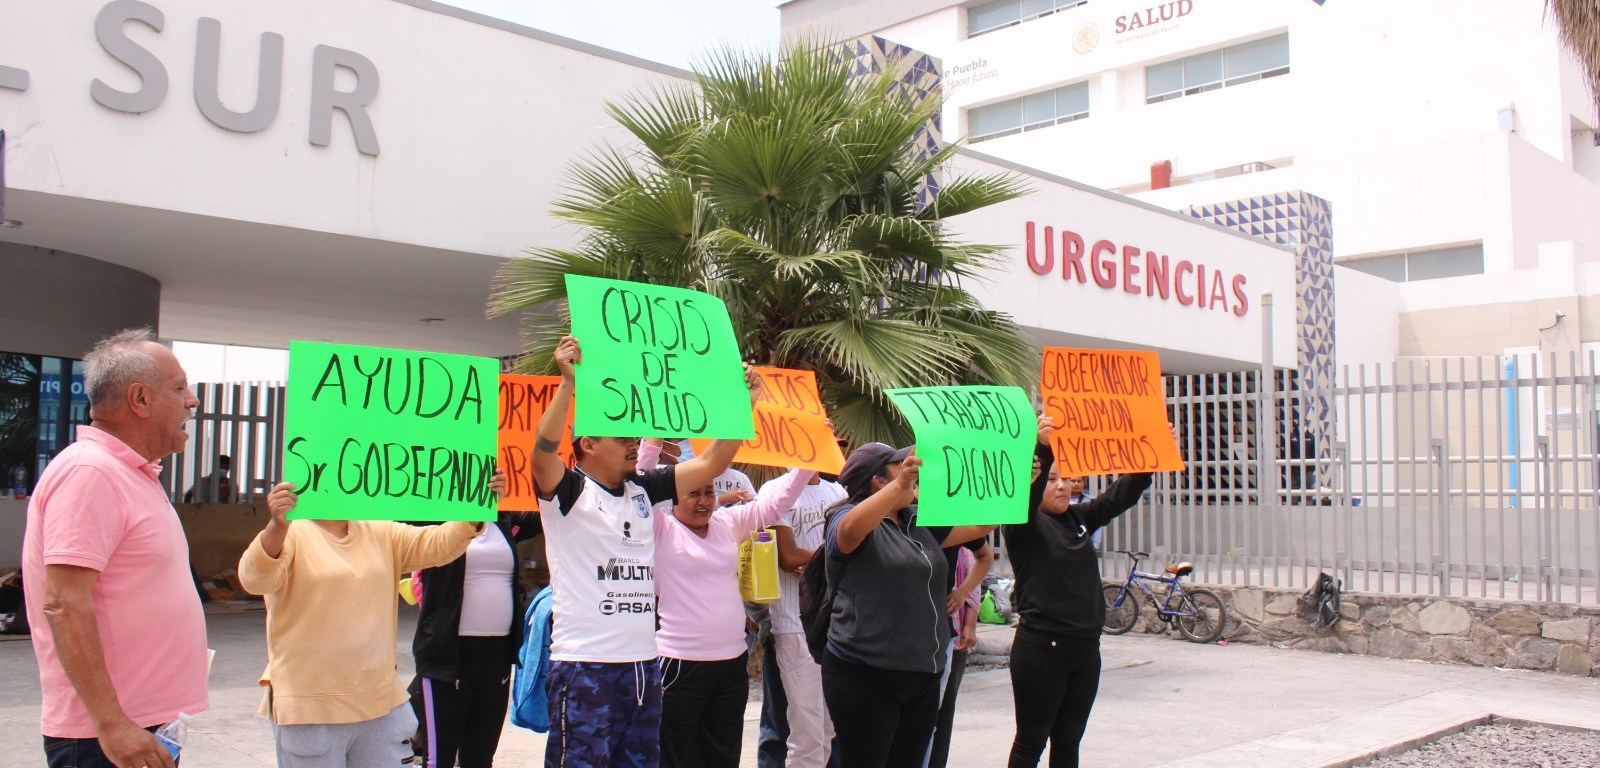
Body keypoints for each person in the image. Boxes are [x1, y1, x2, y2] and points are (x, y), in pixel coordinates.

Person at [527, 335, 758, 768]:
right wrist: (567, 384)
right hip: (585, 667)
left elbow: (711, 465)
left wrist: (744, 403)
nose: (634, 443)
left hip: (644, 669)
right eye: (621, 437)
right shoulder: (568, 491)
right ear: (587, 444)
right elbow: (541, 453)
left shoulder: (643, 489)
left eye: (635, 436)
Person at [23, 328, 206, 768]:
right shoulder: (92, 473)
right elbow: (64, 604)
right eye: (179, 388)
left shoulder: (132, 473)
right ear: (140, 400)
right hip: (106, 738)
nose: (193, 400)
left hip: (143, 726)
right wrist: (112, 724)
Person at [238, 472, 505, 768]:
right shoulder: (293, 533)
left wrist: (476, 510)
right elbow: (254, 578)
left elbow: (437, 544)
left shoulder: (378, 531)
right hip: (311, 708)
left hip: (379, 705)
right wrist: (277, 526)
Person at [638, 439, 815, 768]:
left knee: (723, 755)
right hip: (679, 665)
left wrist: (811, 454)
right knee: (676, 757)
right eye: (693, 492)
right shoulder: (659, 526)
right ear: (674, 496)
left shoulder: (728, 522)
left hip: (731, 665)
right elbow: (639, 483)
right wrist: (651, 443)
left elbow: (777, 502)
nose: (704, 501)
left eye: (709, 492)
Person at [821, 443, 996, 768]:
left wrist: (1014, 484)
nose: (912, 471)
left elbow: (982, 527)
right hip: (864, 675)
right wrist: (899, 489)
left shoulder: (919, 519)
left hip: (922, 676)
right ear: (878, 481)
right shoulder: (844, 517)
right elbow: (848, 532)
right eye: (901, 466)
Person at [1004, 415, 1156, 768]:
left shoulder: (1079, 519)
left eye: (1066, 480)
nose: (1061, 487)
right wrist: (1042, 445)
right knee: (1031, 742)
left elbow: (1121, 496)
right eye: (1051, 480)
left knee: (1069, 741)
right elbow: (1026, 495)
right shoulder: (1022, 526)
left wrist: (1151, 455)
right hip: (1042, 650)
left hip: (1085, 649)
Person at [410, 508, 544, 768]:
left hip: (496, 658)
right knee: (439, 759)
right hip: (447, 657)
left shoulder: (506, 519)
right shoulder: (434, 516)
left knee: (480, 759)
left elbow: (551, 500)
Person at [769, 471, 847, 768]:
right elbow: (787, 556)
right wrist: (830, 557)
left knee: (828, 730)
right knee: (807, 735)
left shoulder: (837, 491)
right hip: (794, 623)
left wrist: (814, 560)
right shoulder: (775, 490)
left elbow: (853, 546)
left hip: (835, 622)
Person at [925, 540, 992, 768]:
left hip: (952, 636)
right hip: (925, 637)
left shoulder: (957, 535)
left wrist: (970, 625)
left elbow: (976, 572)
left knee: (944, 709)